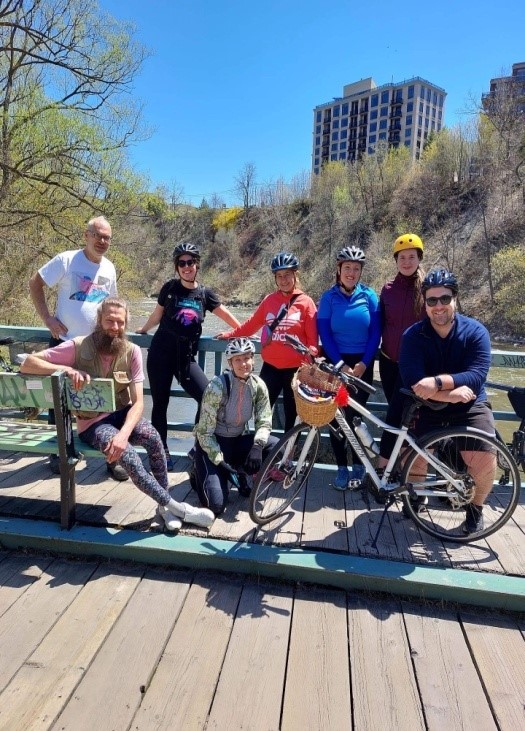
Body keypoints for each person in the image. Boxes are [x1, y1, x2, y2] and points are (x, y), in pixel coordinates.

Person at [20, 298, 215, 532]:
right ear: (99, 320)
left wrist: (124, 434)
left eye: (120, 322)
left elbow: (139, 403)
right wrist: (67, 369)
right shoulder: (78, 346)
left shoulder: (131, 351)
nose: (114, 327)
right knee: (130, 457)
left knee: (153, 438)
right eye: (109, 321)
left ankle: (164, 507)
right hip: (93, 423)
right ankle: (178, 508)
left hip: (122, 416)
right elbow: (28, 364)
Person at [28, 216, 126, 481]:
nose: (102, 241)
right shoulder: (67, 260)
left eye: (107, 237)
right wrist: (47, 319)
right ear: (87, 235)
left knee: (105, 403)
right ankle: (59, 453)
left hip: (99, 347)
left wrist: (120, 333)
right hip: (65, 344)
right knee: (58, 404)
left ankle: (112, 458)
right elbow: (35, 283)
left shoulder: (109, 268)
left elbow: (113, 304)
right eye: (98, 235)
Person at [398, 268, 495, 534]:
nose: (439, 306)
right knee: (413, 457)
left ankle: (475, 509)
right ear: (424, 303)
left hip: (469, 404)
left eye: (445, 298)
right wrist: (448, 393)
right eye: (432, 300)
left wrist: (438, 383)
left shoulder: (476, 332)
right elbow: (412, 380)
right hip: (427, 404)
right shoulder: (413, 336)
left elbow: (476, 376)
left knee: (485, 459)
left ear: (455, 299)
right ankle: (416, 498)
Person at [136, 243, 241, 471]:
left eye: (190, 262)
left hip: (185, 358)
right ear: (177, 267)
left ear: (197, 265)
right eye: (182, 263)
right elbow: (157, 315)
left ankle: (197, 448)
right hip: (160, 353)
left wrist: (240, 332)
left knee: (207, 397)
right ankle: (160, 452)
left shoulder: (204, 294)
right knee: (160, 405)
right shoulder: (169, 288)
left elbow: (226, 315)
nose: (186, 267)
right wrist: (143, 330)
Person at [216, 252, 318, 433]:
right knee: (260, 411)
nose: (283, 280)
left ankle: (288, 456)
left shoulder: (306, 303)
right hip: (270, 368)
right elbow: (251, 325)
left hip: (295, 371)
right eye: (279, 276)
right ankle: (259, 450)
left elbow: (312, 343)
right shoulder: (269, 300)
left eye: (287, 275)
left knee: (292, 415)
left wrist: (309, 364)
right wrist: (230, 334)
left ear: (295, 275)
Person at [317, 246, 381, 490]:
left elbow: (376, 332)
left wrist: (365, 362)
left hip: (362, 362)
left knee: (356, 418)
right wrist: (340, 365)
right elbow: (325, 333)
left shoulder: (369, 296)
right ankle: (341, 468)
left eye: (356, 268)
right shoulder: (328, 298)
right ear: (339, 269)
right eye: (347, 268)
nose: (351, 272)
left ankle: (360, 466)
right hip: (336, 362)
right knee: (335, 419)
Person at [193, 337, 279, 515]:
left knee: (277, 446)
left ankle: (240, 472)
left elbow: (264, 420)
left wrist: (257, 446)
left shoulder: (258, 385)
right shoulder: (217, 387)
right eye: (237, 360)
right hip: (212, 446)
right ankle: (199, 472)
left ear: (253, 359)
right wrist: (219, 460)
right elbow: (204, 432)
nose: (243, 364)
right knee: (216, 505)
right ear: (230, 363)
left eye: (247, 358)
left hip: (237, 442)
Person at [377, 233, 425, 465]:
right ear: (396, 260)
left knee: (400, 416)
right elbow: (380, 324)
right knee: (398, 414)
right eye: (402, 257)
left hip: (414, 365)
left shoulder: (427, 290)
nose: (406, 262)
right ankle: (400, 467)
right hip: (388, 362)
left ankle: (388, 467)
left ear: (419, 259)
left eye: (411, 257)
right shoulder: (387, 290)